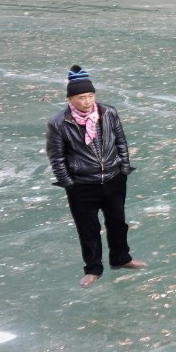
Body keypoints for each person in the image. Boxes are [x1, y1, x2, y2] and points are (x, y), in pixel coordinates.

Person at [45, 66, 144, 288]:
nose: (87, 102)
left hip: (113, 178)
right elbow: (57, 157)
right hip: (82, 185)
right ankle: (93, 268)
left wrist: (123, 168)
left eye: (90, 96)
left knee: (118, 223)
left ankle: (121, 258)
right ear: (71, 98)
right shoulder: (59, 123)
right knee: (88, 229)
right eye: (81, 97)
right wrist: (69, 183)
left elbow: (120, 141)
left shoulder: (108, 113)